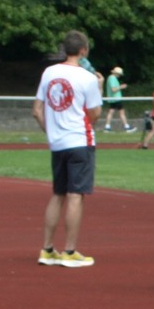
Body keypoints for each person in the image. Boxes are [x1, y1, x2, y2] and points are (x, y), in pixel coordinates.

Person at [32, 30, 103, 268]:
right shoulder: (87, 78)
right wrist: (99, 88)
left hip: (58, 143)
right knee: (75, 195)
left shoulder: (49, 73)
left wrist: (51, 132)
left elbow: (37, 110)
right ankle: (70, 251)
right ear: (83, 50)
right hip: (79, 140)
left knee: (58, 194)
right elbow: (95, 113)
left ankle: (47, 249)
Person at [101, 66, 129, 132]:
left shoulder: (111, 78)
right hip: (116, 98)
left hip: (113, 98)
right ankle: (127, 127)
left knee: (111, 112)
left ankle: (107, 127)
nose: (119, 76)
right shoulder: (112, 78)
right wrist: (121, 87)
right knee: (121, 113)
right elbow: (113, 89)